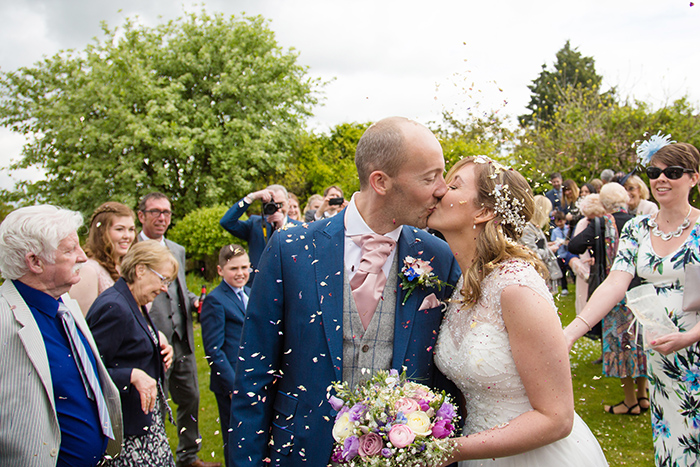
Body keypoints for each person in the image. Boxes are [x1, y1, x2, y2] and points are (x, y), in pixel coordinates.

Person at [228, 116, 461, 466]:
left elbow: (446, 376)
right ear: (380, 181)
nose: (442, 189)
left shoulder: (438, 256)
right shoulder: (290, 248)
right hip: (303, 451)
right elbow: (253, 373)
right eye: (430, 177)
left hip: (404, 455)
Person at [429, 156, 606, 466]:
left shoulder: (516, 288)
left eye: (454, 185)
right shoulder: (465, 282)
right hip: (481, 452)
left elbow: (557, 418)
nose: (440, 190)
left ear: (484, 211)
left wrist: (450, 450)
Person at [564, 139, 700, 465]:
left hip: (694, 348)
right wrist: (571, 331)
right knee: (672, 439)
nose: (661, 179)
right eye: (655, 171)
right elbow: (615, 283)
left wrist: (691, 336)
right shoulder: (637, 229)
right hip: (661, 353)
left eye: (673, 172)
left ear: (694, 178)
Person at [0, 205, 122, 467]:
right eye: (69, 250)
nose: (82, 257)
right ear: (34, 262)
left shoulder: (63, 304)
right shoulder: (3, 320)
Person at [137, 193, 216, 467]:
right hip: (151, 338)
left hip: (181, 337)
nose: (162, 217)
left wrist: (194, 300)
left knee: (190, 398)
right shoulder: (131, 249)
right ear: (141, 216)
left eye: (167, 212)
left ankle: (188, 456)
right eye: (156, 212)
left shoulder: (176, 249)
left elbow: (178, 289)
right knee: (153, 403)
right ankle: (153, 457)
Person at [86, 241, 177, 466]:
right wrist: (131, 376)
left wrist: (161, 348)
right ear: (140, 270)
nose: (165, 288)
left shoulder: (135, 302)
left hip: (146, 424)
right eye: (162, 279)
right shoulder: (114, 307)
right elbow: (86, 369)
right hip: (128, 431)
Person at [568, 183, 648, 415]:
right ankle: (643, 397)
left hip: (614, 291)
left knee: (619, 345)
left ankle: (630, 400)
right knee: (639, 345)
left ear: (604, 203)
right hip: (640, 290)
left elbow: (574, 245)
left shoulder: (600, 224)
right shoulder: (638, 221)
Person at [200, 244, 251, 467]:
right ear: (220, 270)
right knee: (236, 440)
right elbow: (213, 349)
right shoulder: (215, 300)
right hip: (231, 382)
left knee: (252, 436)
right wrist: (232, 387)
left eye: (245, 267)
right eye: (234, 269)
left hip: (251, 377)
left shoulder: (249, 293)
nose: (240, 273)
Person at [220, 184, 302, 284]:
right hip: (258, 285)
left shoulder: (299, 228)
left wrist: (283, 229)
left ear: (288, 202)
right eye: (272, 205)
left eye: (280, 204)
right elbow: (227, 222)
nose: (277, 209)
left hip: (288, 284)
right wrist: (251, 197)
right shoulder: (255, 224)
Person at [71, 202, 136, 314]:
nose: (127, 236)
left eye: (131, 229)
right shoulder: (88, 270)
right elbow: (83, 322)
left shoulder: (125, 268)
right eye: (120, 229)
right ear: (101, 232)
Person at [519, 195, 561, 294]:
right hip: (535, 274)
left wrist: (547, 245)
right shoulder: (527, 229)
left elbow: (536, 245)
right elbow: (532, 254)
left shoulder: (534, 227)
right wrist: (550, 250)